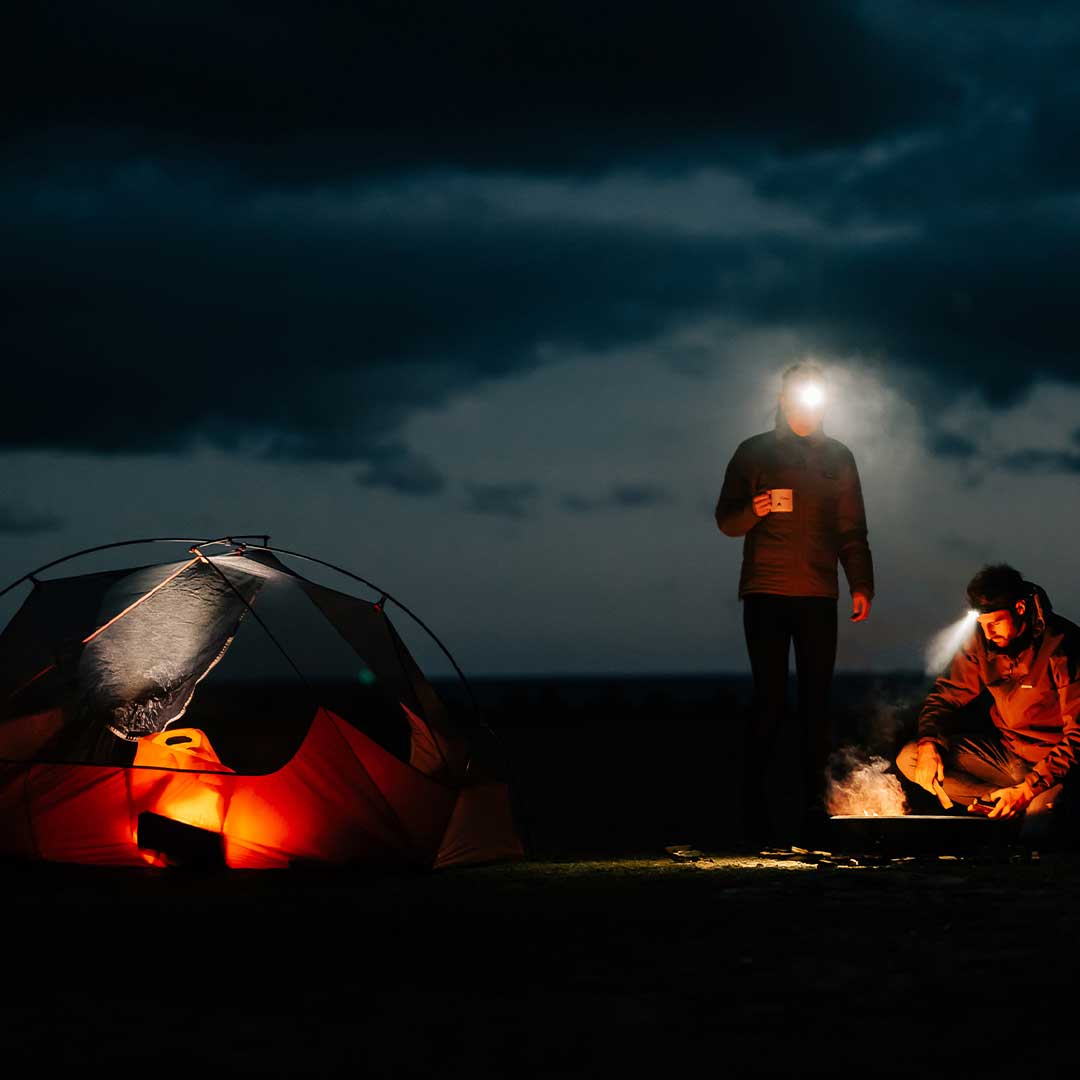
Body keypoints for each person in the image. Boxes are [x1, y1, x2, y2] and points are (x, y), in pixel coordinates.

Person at [715, 360, 874, 850]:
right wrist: (754, 509)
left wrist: (862, 584)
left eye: (814, 396)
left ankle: (814, 812)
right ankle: (754, 813)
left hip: (819, 596)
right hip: (765, 592)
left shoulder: (839, 457)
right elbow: (726, 521)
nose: (806, 405)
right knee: (769, 700)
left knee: (815, 705)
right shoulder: (753, 451)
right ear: (783, 399)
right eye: (797, 395)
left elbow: (852, 529)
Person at [896, 563, 1080, 842]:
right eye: (982, 625)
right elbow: (946, 695)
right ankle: (1003, 803)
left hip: (1059, 769)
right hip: (1010, 759)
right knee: (911, 758)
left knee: (1037, 829)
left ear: (1020, 608)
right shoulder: (983, 641)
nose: (989, 633)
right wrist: (929, 742)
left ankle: (1029, 809)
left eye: (995, 623)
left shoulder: (1062, 646)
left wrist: (1028, 789)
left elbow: (1077, 738)